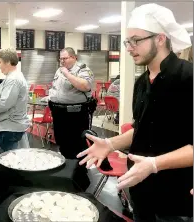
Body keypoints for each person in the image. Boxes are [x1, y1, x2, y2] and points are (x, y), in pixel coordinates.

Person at [77, 3, 193, 222]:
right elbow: (142, 129)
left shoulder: (188, 78)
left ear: (160, 38)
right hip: (139, 188)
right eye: (127, 41)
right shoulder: (142, 82)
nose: (129, 47)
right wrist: (111, 144)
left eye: (136, 40)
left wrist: (154, 164)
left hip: (176, 197)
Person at [48, 47, 95, 159]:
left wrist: (68, 74)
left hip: (75, 115)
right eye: (60, 59)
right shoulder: (59, 70)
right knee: (62, 142)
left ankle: (78, 171)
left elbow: (85, 86)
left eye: (65, 58)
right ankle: (67, 168)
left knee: (77, 144)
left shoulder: (82, 70)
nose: (62, 61)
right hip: (59, 113)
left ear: (74, 57)